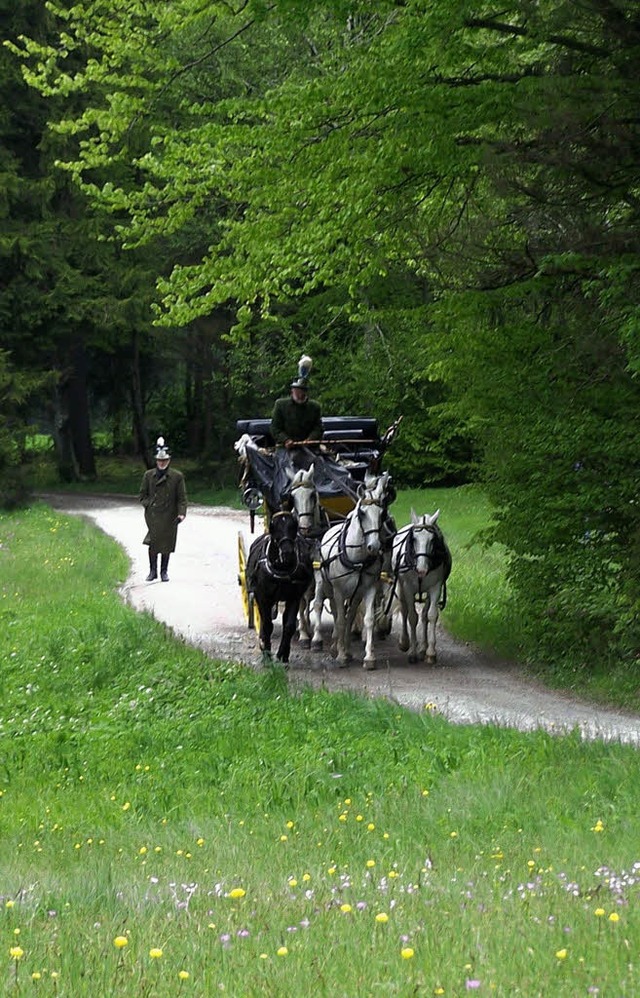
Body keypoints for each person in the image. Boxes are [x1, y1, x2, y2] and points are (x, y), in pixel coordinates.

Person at [139, 437, 187, 582]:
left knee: (167, 543)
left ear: (168, 461)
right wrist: (149, 504)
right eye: (160, 461)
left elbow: (182, 497)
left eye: (164, 461)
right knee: (153, 543)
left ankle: (164, 571)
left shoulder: (177, 477)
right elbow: (142, 495)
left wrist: (181, 513)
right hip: (153, 515)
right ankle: (152, 571)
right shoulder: (148, 476)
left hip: (170, 515)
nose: (162, 463)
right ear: (156, 461)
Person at [270, 376, 323, 450]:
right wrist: (285, 440)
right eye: (297, 391)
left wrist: (310, 439)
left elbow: (318, 428)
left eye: (303, 391)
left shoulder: (314, 407)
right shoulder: (280, 405)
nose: (300, 394)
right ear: (292, 391)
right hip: (285, 448)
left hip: (310, 448)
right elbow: (275, 428)